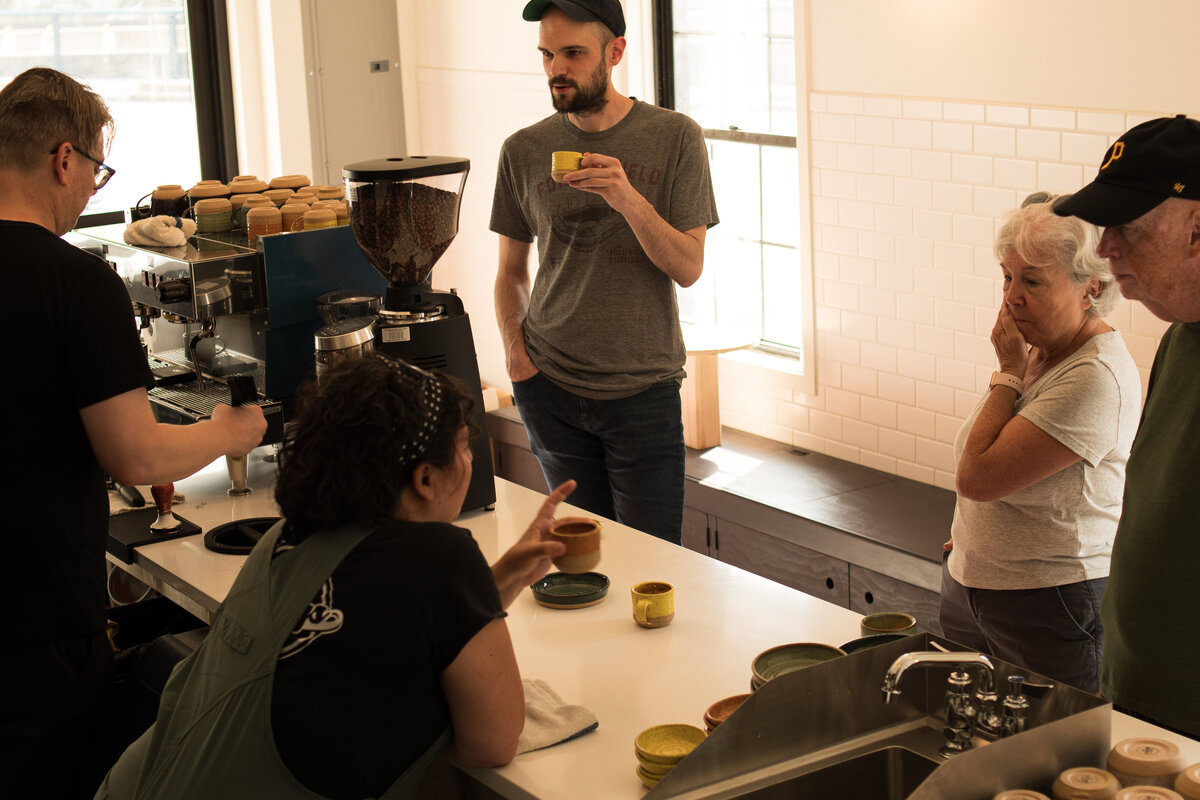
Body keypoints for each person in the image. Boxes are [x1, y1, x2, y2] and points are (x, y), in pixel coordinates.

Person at [98, 355, 575, 799]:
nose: (471, 462)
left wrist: (505, 578)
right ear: (425, 479)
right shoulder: (440, 558)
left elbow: (384, 634)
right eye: (464, 449)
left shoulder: (288, 537)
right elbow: (492, 743)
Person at [0, 67, 267, 800]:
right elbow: (138, 450)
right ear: (63, 158)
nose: (92, 189)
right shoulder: (75, 282)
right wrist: (228, 430)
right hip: (34, 624)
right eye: (94, 170)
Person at [491, 0, 719, 545]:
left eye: (572, 53)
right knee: (581, 562)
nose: (556, 69)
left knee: (653, 561)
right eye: (547, 54)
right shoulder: (523, 149)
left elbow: (688, 268)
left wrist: (627, 198)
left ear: (615, 52)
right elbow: (511, 271)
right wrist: (517, 360)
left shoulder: (675, 137)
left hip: (643, 391)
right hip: (549, 389)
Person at [939, 194, 1140, 694]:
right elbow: (992, 459)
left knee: (1045, 751)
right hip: (978, 582)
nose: (1011, 297)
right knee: (973, 732)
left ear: (1090, 288)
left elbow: (978, 477)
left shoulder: (1094, 377)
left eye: (1032, 280)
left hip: (1050, 600)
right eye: (1007, 277)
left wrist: (1006, 373)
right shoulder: (1041, 351)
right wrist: (972, 539)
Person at [1053, 114, 1200, 736]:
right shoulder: (1180, 339)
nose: (1106, 247)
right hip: (1137, 696)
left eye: (1129, 228)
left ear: (1198, 228)